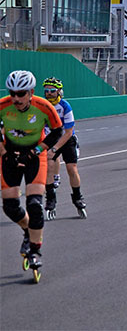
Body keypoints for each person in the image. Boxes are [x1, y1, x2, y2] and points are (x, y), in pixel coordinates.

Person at [1, 70, 63, 283]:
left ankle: (35, 250)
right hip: (10, 154)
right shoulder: (3, 106)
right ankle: (28, 231)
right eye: (12, 93)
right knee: (10, 206)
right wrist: (4, 153)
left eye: (21, 93)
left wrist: (36, 151)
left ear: (31, 92)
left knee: (35, 204)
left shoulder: (44, 107)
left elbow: (57, 132)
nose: (16, 98)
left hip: (35, 155)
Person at [41, 77, 87, 220]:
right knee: (48, 166)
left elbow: (68, 132)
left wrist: (54, 149)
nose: (49, 93)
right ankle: (50, 199)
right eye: (46, 91)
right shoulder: (41, 106)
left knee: (71, 168)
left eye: (52, 91)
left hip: (66, 139)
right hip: (50, 139)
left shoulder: (65, 106)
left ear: (59, 91)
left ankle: (77, 197)